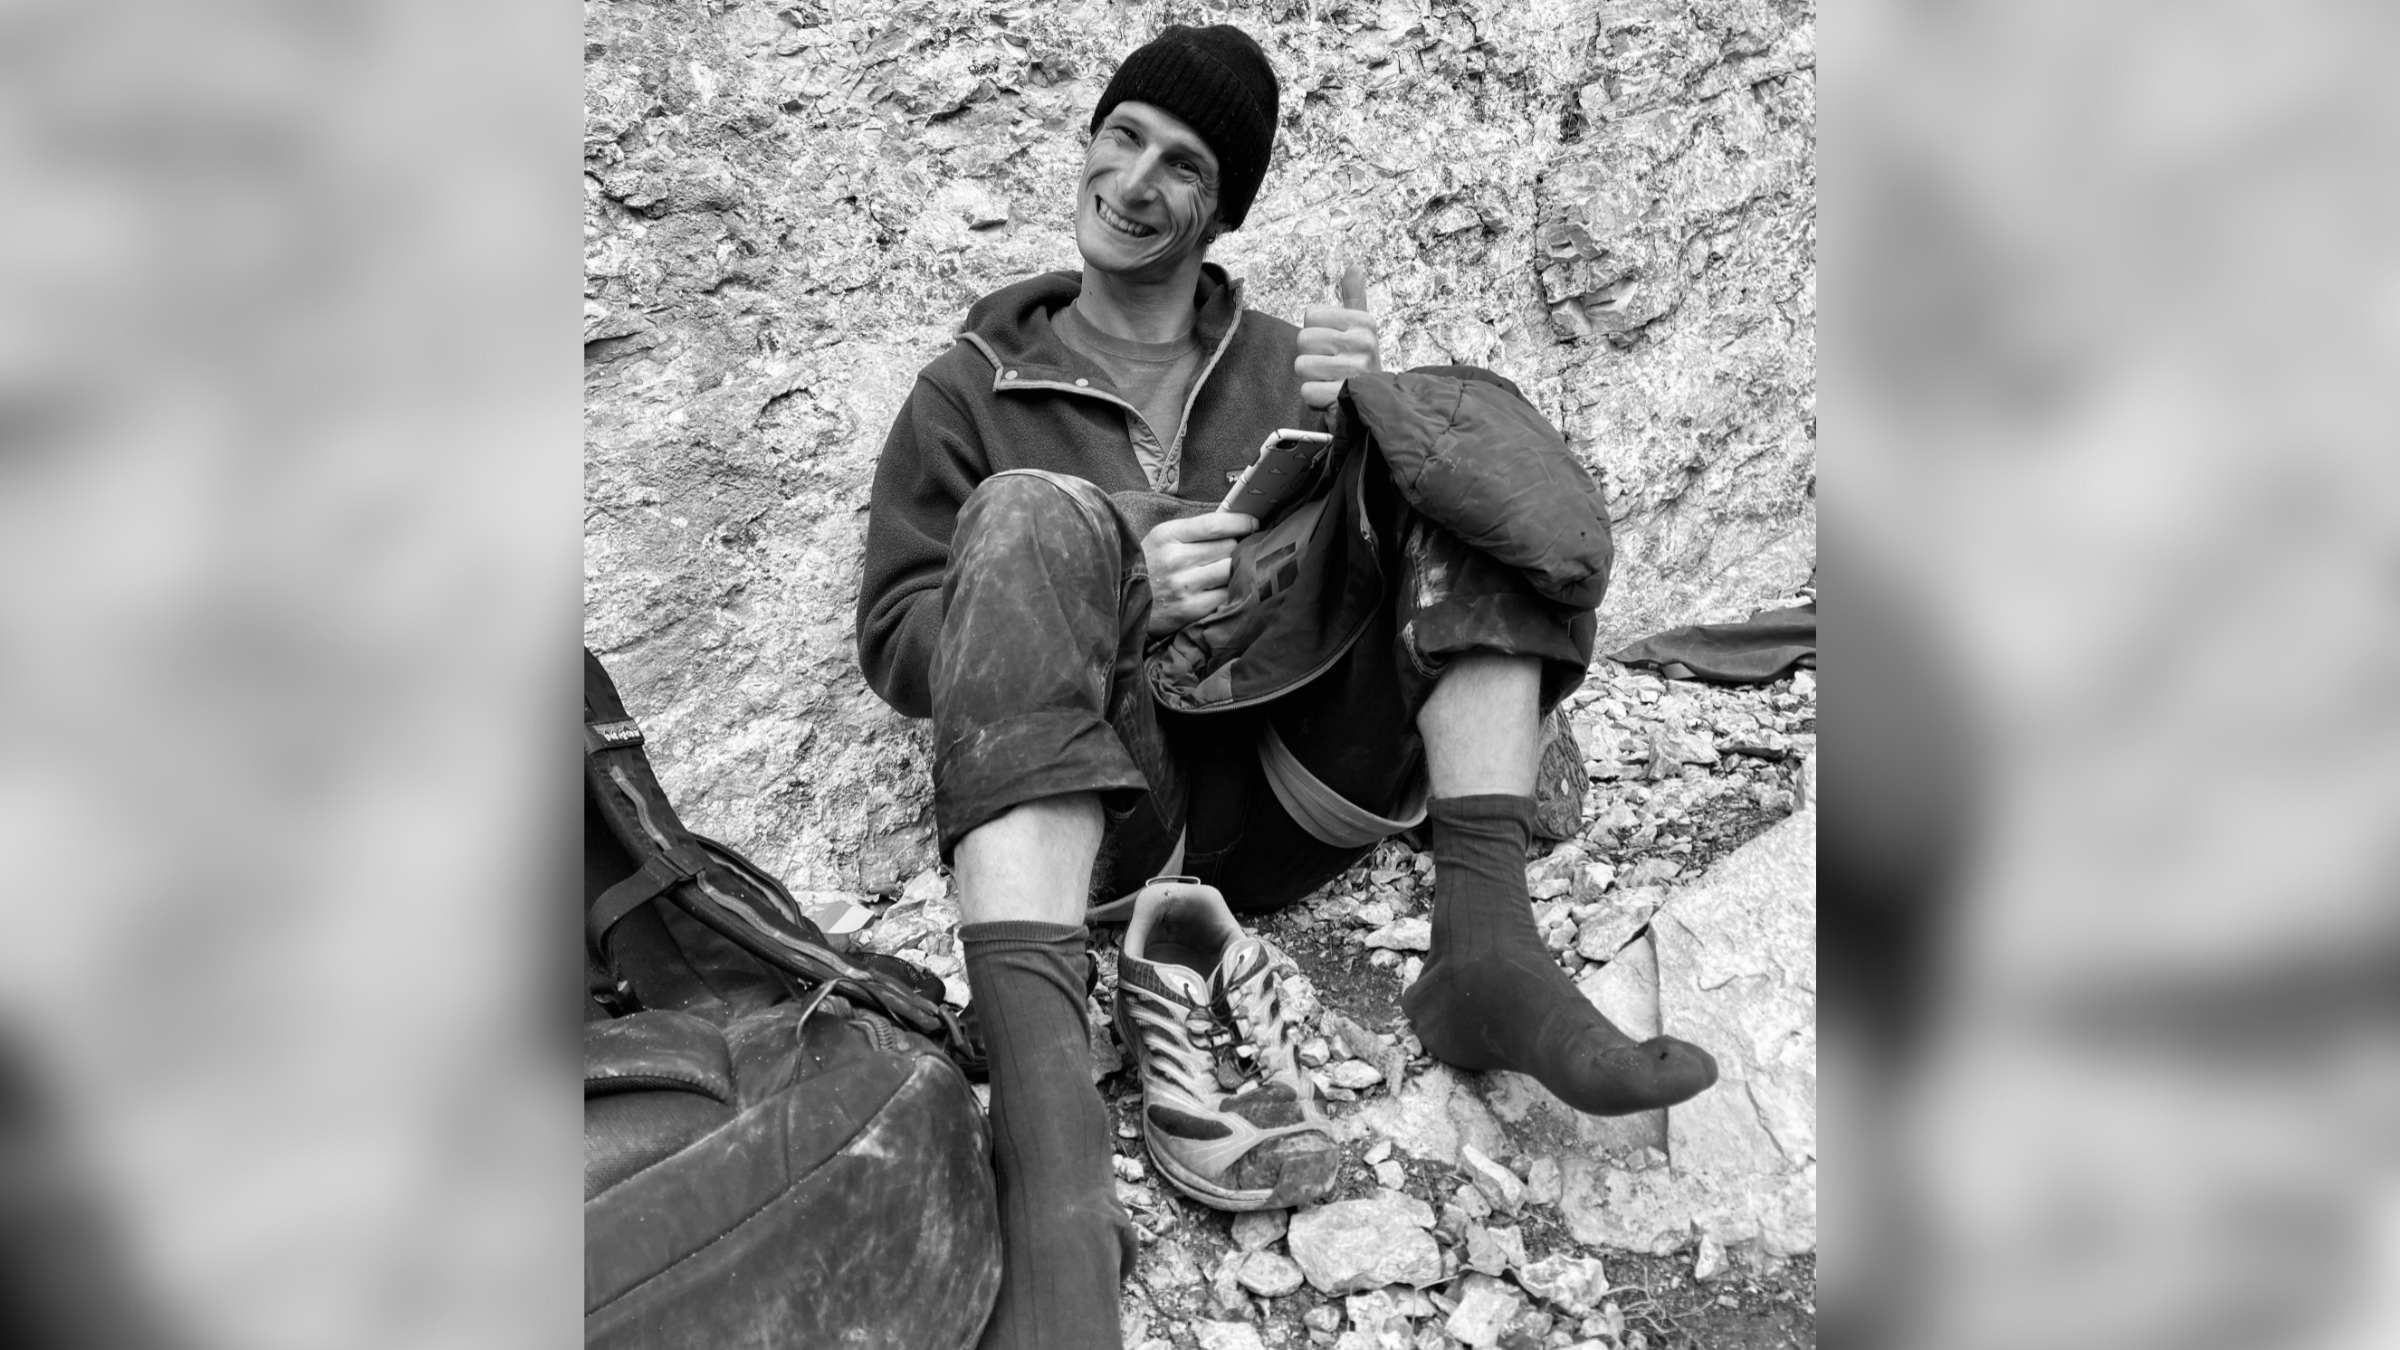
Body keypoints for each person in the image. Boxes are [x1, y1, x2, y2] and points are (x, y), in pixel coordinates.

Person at [855, 25, 1718, 1350]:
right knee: (1033, 512)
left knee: (1445, 412)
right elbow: (901, 638)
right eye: (1123, 136)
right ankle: (1056, 1173)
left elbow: (1434, 539)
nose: (1137, 180)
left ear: (1224, 207)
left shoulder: (1278, 354)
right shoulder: (969, 389)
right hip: (1114, 818)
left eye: (1184, 163)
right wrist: (1119, 578)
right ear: (1088, 143)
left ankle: (1486, 944)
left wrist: (1372, 413)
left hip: (1301, 783)